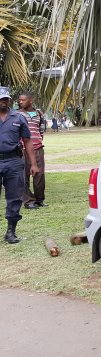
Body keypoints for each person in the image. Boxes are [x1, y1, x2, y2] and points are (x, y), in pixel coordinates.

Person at [0, 86, 39, 244]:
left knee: (15, 198)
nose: (3, 101)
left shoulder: (18, 117)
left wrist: (34, 164)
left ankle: (11, 231)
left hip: (14, 162)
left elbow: (28, 142)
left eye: (5, 98)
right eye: (0, 98)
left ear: (9, 100)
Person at [18, 92, 47, 209]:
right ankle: (29, 201)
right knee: (24, 176)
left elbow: (41, 129)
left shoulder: (39, 113)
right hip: (22, 149)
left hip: (38, 148)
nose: (20, 102)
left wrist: (39, 140)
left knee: (39, 175)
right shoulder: (16, 114)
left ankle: (39, 200)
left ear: (30, 101)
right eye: (19, 100)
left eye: (23, 100)